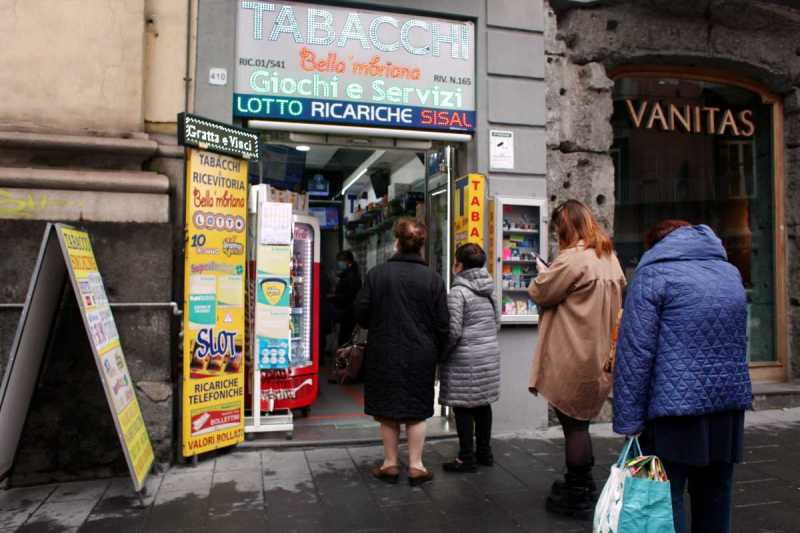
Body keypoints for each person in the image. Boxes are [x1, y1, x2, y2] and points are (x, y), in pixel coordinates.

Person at [613, 221, 752, 533]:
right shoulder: (730, 273)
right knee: (716, 494)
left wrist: (629, 421)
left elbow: (635, 353)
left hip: (673, 412)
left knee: (664, 497)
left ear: (655, 245)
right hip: (727, 408)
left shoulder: (652, 275)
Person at [527, 199, 626, 519]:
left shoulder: (572, 259)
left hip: (573, 352)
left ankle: (578, 491)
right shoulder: (609, 257)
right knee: (580, 423)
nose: (557, 234)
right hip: (601, 353)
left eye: (558, 228)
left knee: (574, 426)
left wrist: (544, 273)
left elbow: (541, 293)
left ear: (566, 227)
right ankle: (581, 484)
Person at [354, 218, 449, 486]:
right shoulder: (433, 279)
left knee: (387, 410)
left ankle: (390, 464)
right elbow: (443, 323)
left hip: (384, 350)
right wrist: (440, 353)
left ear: (396, 242)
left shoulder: (377, 274)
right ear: (421, 246)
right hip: (421, 353)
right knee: (417, 410)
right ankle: (417, 466)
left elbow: (361, 313)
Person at [439, 243, 501, 473]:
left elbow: (454, 331)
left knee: (463, 406)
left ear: (459, 265)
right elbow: (496, 322)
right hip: (488, 354)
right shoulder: (490, 288)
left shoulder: (458, 292)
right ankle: (485, 452)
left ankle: (466, 458)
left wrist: (442, 354)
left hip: (464, 358)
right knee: (483, 404)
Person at [333, 250, 361, 348]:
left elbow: (349, 295)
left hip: (348, 313)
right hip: (348, 313)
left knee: (345, 340)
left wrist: (335, 297)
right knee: (345, 339)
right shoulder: (350, 273)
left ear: (347, 261)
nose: (339, 263)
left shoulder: (351, 276)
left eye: (340, 261)